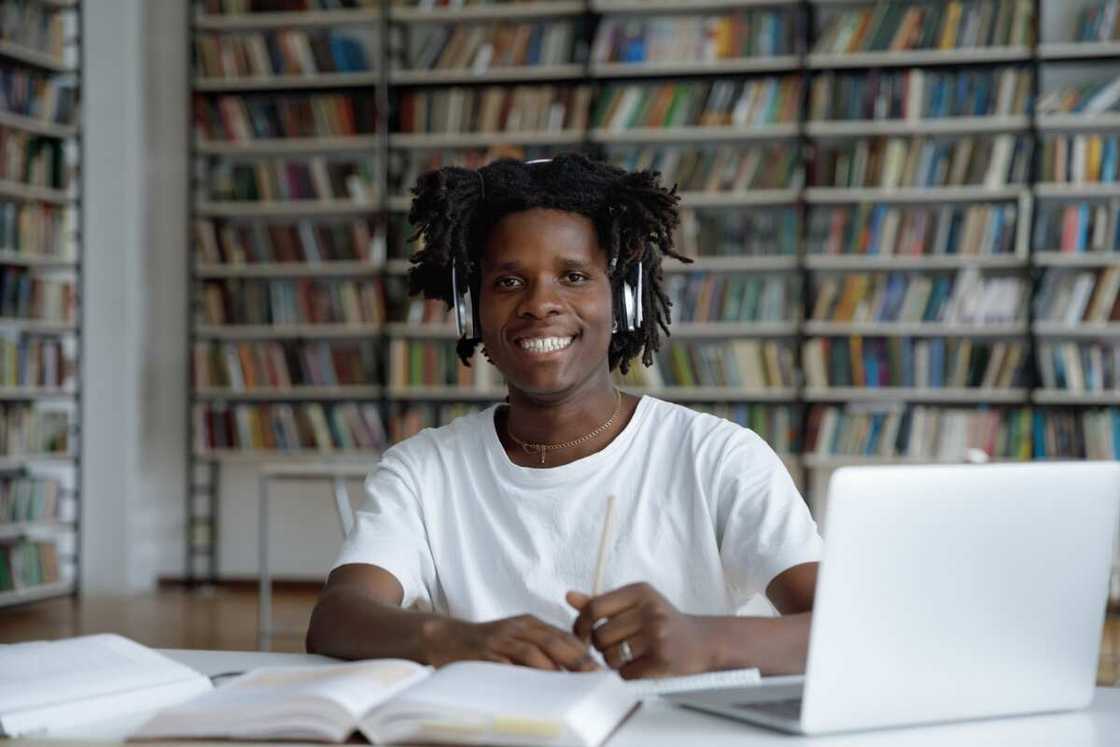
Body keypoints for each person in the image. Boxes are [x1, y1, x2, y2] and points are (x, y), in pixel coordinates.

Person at [306, 153, 821, 678]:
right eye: (508, 282)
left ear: (624, 299)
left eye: (573, 276)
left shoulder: (718, 458)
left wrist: (705, 641)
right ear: (471, 309)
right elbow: (338, 618)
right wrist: (453, 638)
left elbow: (840, 626)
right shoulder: (422, 470)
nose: (540, 304)